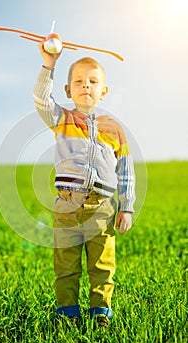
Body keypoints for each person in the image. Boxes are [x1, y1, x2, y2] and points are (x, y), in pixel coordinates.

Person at [33, 41, 135, 327]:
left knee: (102, 264)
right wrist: (49, 64)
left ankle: (100, 312)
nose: (86, 86)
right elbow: (41, 99)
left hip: (102, 208)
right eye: (78, 81)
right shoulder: (61, 119)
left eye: (93, 82)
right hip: (67, 203)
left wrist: (126, 207)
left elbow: (125, 170)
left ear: (103, 91)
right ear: (68, 91)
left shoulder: (114, 129)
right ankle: (67, 312)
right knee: (66, 264)